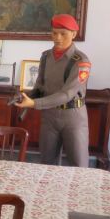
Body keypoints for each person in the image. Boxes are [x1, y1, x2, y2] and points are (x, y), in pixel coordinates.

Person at [14, 13, 91, 167]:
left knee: (79, 165)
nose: (57, 38)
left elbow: (67, 94)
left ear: (74, 34)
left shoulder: (81, 61)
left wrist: (34, 104)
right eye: (54, 33)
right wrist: (25, 96)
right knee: (47, 163)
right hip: (49, 117)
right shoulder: (46, 56)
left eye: (63, 34)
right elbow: (39, 86)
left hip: (73, 118)